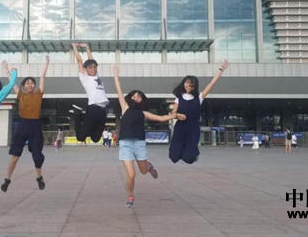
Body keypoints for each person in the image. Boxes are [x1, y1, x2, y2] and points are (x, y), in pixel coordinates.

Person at [113, 65, 180, 208]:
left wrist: (175, 115)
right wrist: (115, 75)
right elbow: (119, 90)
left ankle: (148, 166)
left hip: (139, 144)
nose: (135, 97)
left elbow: (160, 118)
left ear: (141, 99)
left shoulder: (143, 113)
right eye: (134, 95)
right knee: (131, 175)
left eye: (138, 96)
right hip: (125, 144)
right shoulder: (125, 107)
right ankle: (130, 196)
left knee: (143, 171)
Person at [1, 55, 50, 193]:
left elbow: (42, 76)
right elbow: (12, 83)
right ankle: (7, 179)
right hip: (23, 124)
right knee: (15, 155)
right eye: (27, 83)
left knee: (37, 156)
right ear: (23, 86)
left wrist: (47, 63)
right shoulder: (21, 94)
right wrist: (6, 69)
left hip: (35, 125)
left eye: (32, 83)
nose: (30, 85)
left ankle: (39, 177)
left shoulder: (39, 94)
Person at [169, 60, 229, 164]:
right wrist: (178, 116)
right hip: (180, 127)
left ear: (195, 86)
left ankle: (194, 153)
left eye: (192, 84)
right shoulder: (179, 98)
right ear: (184, 84)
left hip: (193, 127)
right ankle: (180, 152)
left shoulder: (199, 97)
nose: (189, 85)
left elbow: (212, 84)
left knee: (189, 158)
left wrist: (221, 69)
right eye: (187, 83)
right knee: (174, 156)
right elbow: (173, 114)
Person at [71, 43, 109, 143]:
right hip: (93, 109)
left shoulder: (97, 76)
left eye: (94, 67)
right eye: (90, 67)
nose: (93, 69)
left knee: (96, 139)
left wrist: (87, 48)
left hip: (103, 111)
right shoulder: (85, 78)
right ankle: (77, 115)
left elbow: (92, 60)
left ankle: (85, 120)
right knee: (80, 137)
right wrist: (75, 48)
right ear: (86, 69)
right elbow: (79, 61)